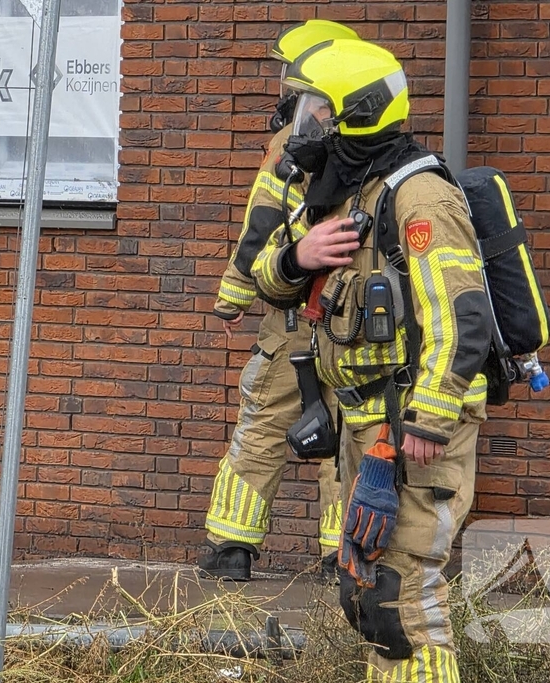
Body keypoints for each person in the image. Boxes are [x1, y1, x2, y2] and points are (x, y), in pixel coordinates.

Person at [251, 38, 492, 682]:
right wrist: (298, 258)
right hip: (363, 432)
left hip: (413, 432)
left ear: (357, 114)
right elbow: (264, 282)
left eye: (315, 113)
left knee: (403, 604)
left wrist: (428, 422)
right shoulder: (338, 194)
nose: (302, 127)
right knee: (365, 596)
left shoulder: (419, 201)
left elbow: (460, 318)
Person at [200, 19, 360, 583]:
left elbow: (261, 225)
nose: (285, 89)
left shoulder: (292, 148)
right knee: (350, 434)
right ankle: (340, 556)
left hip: (294, 317)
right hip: (354, 320)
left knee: (265, 421)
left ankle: (230, 548)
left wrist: (231, 296)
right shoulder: (371, 145)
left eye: (290, 79)